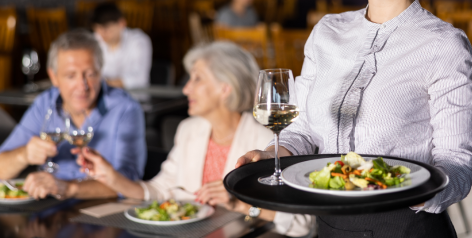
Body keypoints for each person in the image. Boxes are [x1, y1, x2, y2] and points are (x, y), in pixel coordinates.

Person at [237, 0, 472, 237]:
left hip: (405, 227)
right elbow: (304, 129)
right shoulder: (326, 32)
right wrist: (280, 151)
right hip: (328, 225)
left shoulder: (445, 46)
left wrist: (400, 187)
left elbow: (458, 166)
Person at [76, 42, 312, 237]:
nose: (186, 89)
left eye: (196, 79)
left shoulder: (271, 143)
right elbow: (160, 190)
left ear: (225, 88)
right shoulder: (189, 130)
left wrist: (240, 205)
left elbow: (305, 223)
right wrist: (111, 176)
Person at [0, 30, 146, 199]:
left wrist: (68, 188)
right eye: (71, 76)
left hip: (104, 211)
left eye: (90, 74)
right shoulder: (45, 103)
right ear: (53, 77)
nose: (82, 86)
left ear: (100, 72)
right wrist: (24, 154)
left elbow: (130, 182)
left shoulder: (126, 109)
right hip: (49, 208)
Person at [92, 2, 152, 89]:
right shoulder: (95, 39)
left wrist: (105, 83)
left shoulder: (138, 41)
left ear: (122, 23)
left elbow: (140, 79)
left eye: (106, 28)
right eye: (97, 28)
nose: (101, 33)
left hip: (134, 98)